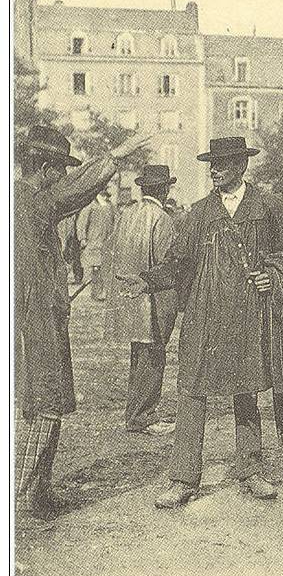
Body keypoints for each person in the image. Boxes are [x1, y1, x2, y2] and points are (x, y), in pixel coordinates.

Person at [119, 137, 283, 509]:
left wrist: (273, 273)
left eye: (221, 163)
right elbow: (179, 261)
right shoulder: (200, 211)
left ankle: (251, 470)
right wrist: (148, 280)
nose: (214, 170)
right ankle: (183, 478)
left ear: (240, 166)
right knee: (192, 391)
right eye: (212, 163)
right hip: (204, 316)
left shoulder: (267, 207)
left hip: (248, 314)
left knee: (247, 390)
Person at [15, 125, 148, 519]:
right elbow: (73, 193)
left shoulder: (24, 199)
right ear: (43, 168)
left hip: (42, 313)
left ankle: (40, 489)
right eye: (58, 169)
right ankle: (23, 493)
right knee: (44, 401)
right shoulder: (29, 200)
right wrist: (115, 156)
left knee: (48, 400)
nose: (62, 177)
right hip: (34, 318)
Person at [104, 165, 180, 435]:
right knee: (153, 357)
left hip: (128, 297)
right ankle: (143, 416)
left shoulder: (127, 213)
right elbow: (166, 262)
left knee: (138, 357)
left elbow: (111, 251)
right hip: (152, 298)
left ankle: (134, 413)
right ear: (164, 189)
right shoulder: (162, 218)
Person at [76, 187, 116, 300]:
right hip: (93, 241)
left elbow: (115, 222)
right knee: (94, 269)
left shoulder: (110, 206)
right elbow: (81, 223)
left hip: (106, 241)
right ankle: (94, 293)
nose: (105, 196)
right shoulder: (90, 206)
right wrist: (82, 238)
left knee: (105, 268)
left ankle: (103, 292)